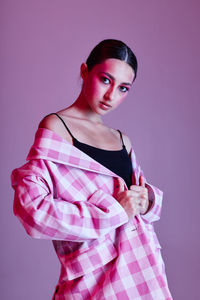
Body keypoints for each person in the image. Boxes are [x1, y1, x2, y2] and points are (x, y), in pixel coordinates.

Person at [11, 39, 172, 299]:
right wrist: (114, 212)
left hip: (144, 274)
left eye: (123, 88)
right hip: (94, 282)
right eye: (105, 80)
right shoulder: (57, 127)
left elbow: (136, 206)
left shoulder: (122, 140)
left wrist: (146, 200)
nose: (111, 96)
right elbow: (32, 211)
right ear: (85, 71)